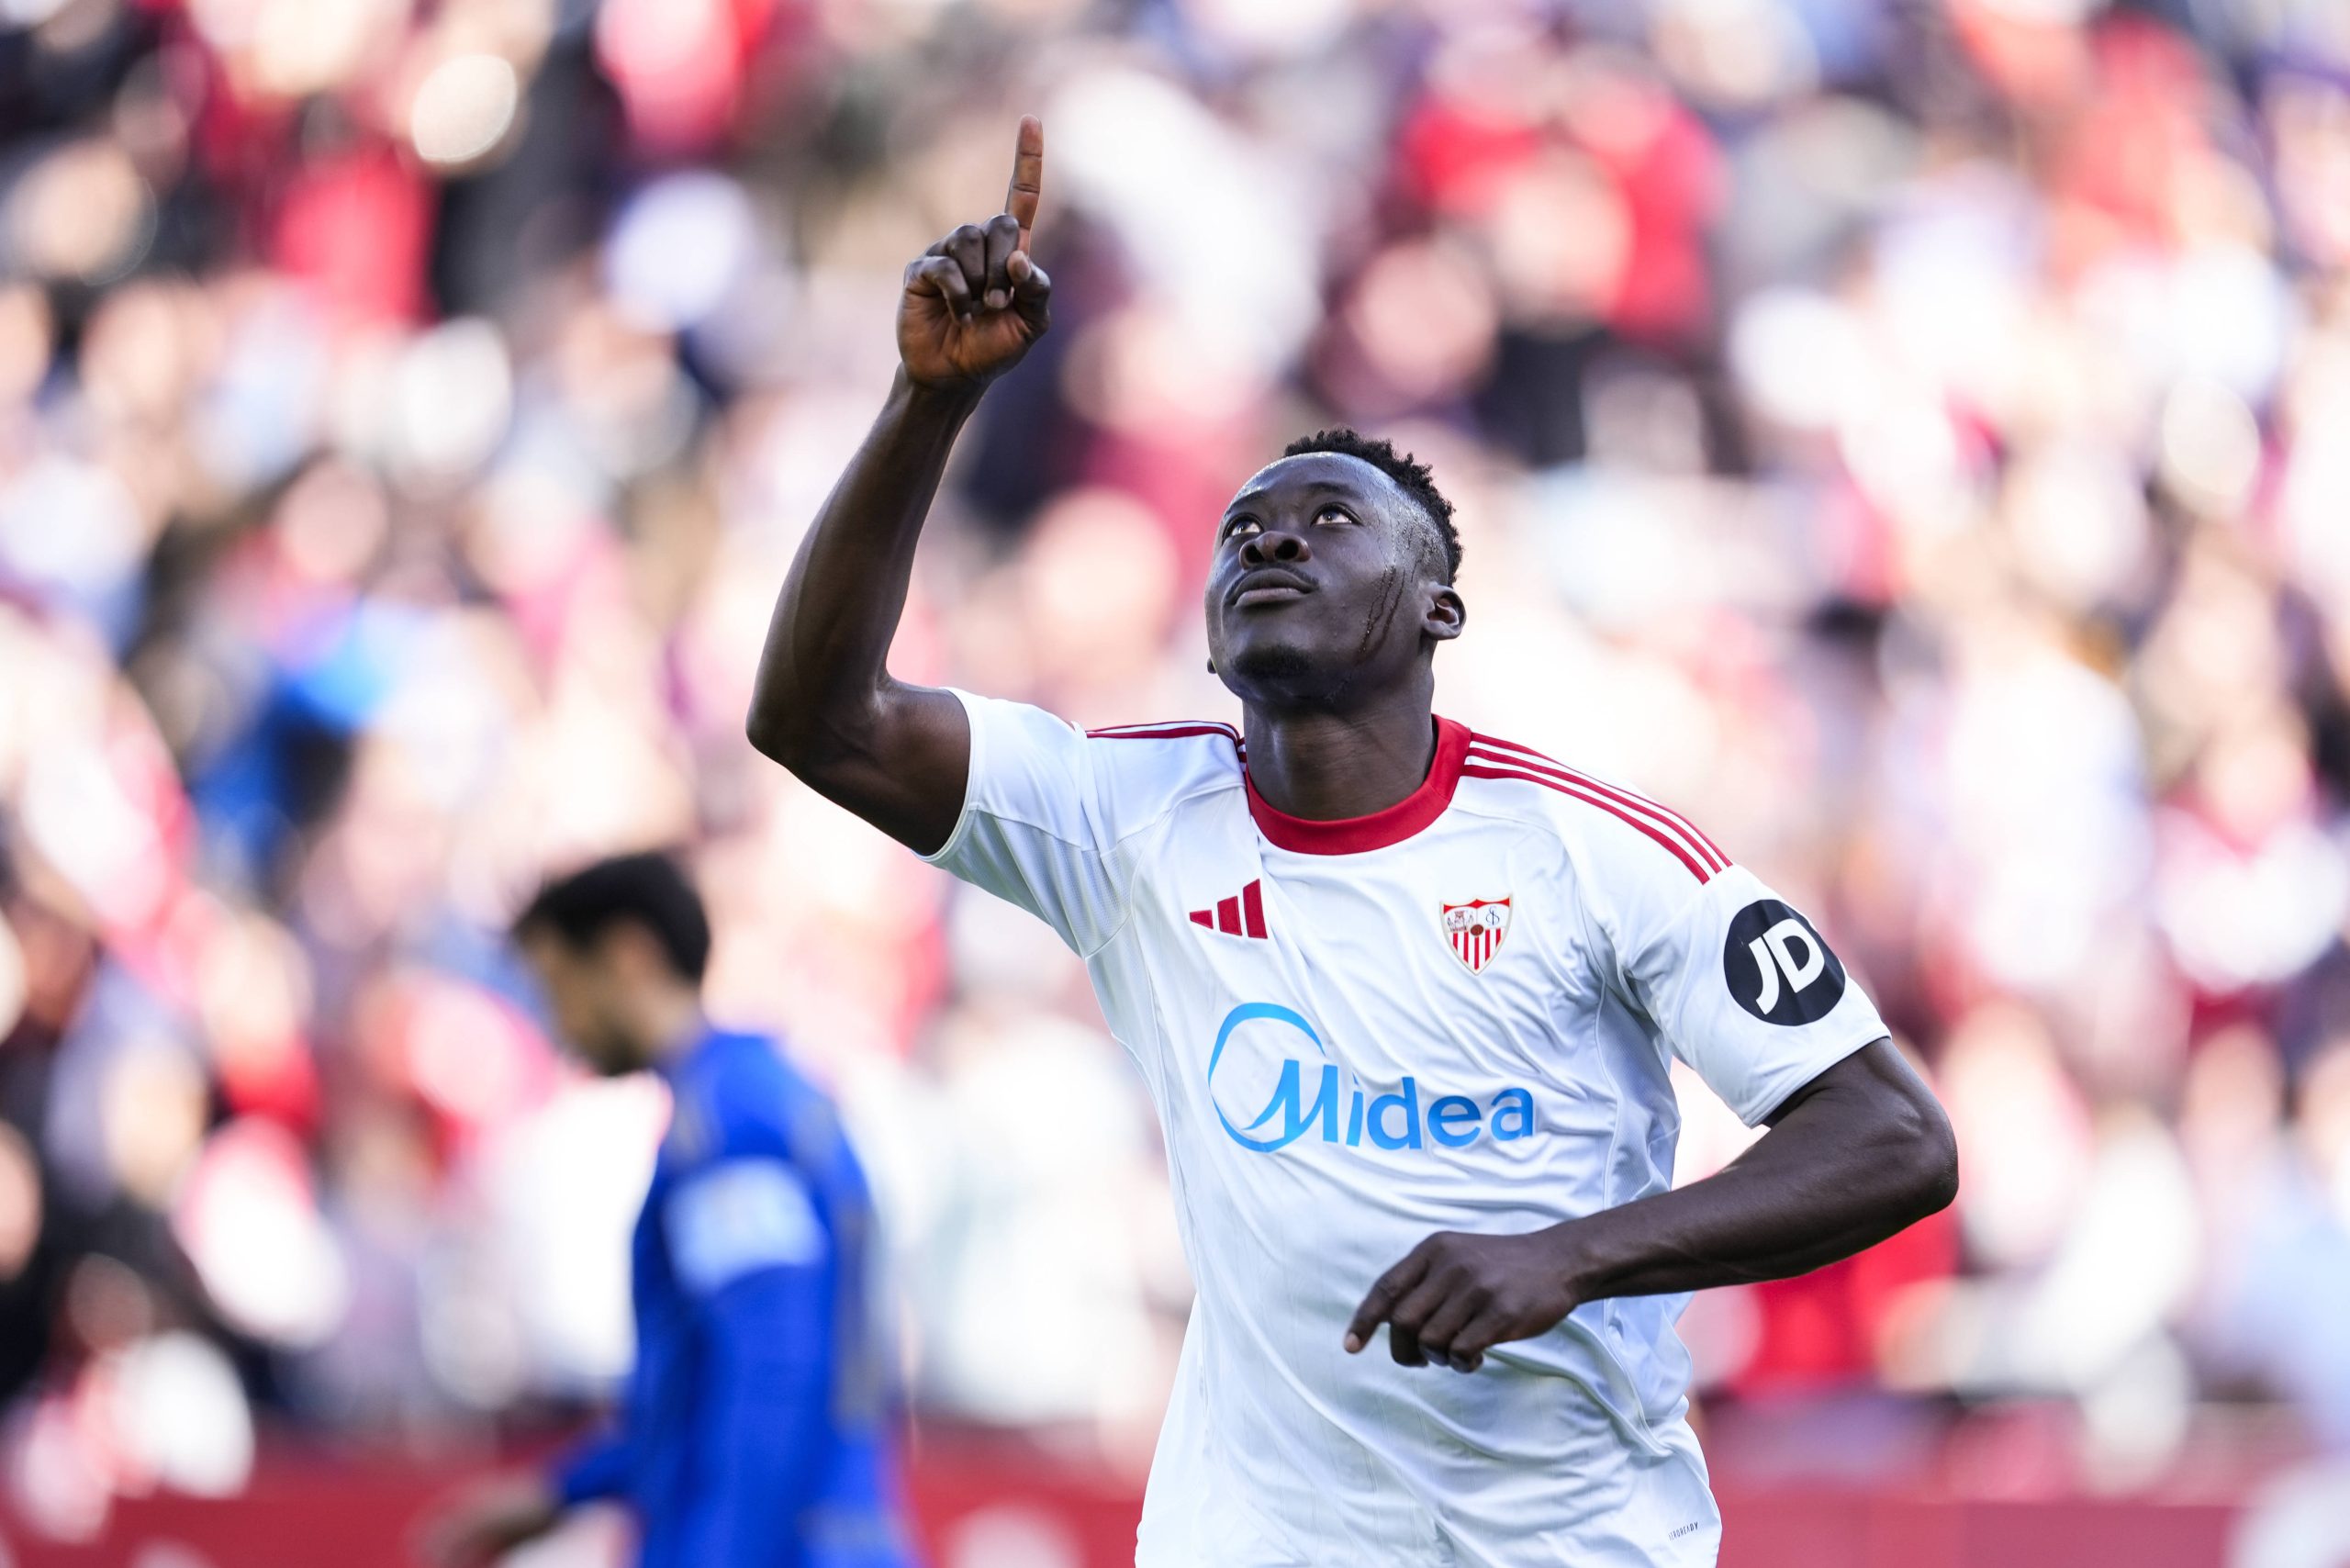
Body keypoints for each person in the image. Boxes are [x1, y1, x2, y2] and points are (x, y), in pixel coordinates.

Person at [744, 117, 1958, 1566]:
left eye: (1331, 520)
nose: (1271, 540)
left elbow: (1895, 1134)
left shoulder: (1597, 852)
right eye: (1242, 529)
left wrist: (1569, 1260)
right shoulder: (1127, 818)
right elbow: (819, 721)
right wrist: (928, 406)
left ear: (1441, 611)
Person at [422, 853, 912, 1568]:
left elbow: (770, 1381)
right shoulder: (748, 1102)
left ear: (628, 956)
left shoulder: (730, 1128)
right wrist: (564, 1492)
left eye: (558, 987)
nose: (557, 1025)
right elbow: (702, 1394)